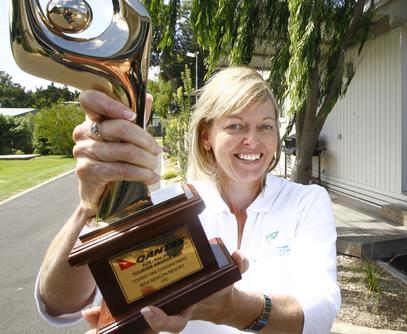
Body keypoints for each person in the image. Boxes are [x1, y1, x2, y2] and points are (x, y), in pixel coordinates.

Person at [35, 66, 341, 333]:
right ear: (206, 136)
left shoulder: (306, 202)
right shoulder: (169, 208)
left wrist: (231, 308)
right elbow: (60, 304)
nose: (253, 140)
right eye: (235, 125)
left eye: (266, 126)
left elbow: (319, 311)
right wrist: (91, 206)